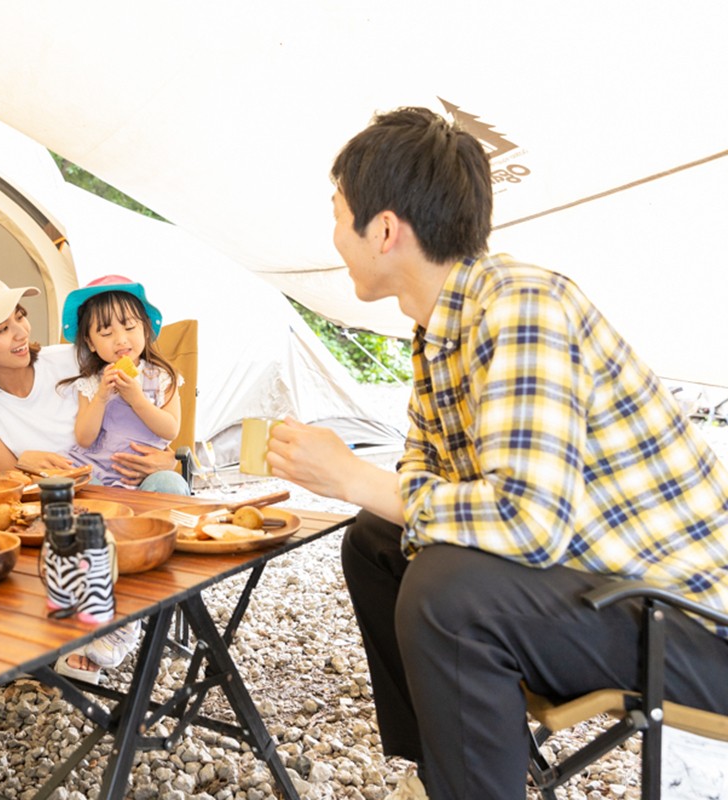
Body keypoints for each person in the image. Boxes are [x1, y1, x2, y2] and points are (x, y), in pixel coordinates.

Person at [265, 107, 728, 800]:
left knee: (448, 594)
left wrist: (352, 476)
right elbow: (424, 475)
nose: (334, 236)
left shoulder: (523, 307)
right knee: (374, 542)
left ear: (384, 229)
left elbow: (527, 522)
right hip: (597, 586)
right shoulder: (435, 332)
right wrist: (369, 490)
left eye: (339, 214)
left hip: (690, 628)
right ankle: (448, 772)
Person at [0, 273, 188, 685]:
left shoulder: (70, 360)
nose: (20, 334)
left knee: (165, 494)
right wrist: (23, 462)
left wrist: (168, 461)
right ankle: (48, 630)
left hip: (124, 485)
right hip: (52, 504)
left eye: (20, 318)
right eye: (2, 330)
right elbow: (8, 483)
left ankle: (118, 620)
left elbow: (150, 413)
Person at [59, 275, 185, 491]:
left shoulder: (162, 376)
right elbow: (84, 438)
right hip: (97, 471)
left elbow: (170, 430)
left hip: (145, 477)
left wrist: (137, 399)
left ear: (145, 329)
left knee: (170, 484)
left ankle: (155, 524)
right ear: (90, 342)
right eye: (106, 333)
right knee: (74, 488)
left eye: (129, 328)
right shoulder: (91, 382)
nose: (121, 340)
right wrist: (101, 397)